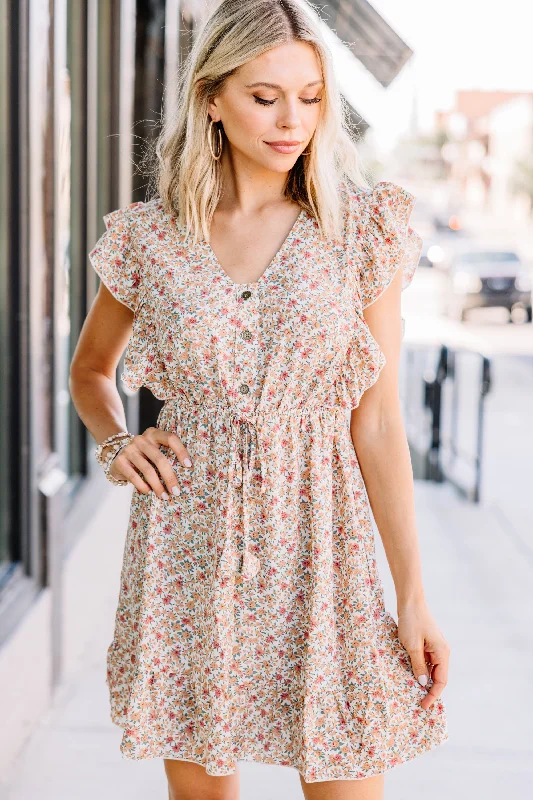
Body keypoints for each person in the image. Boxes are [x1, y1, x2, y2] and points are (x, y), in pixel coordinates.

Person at [70, 0, 450, 797]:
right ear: (211, 95)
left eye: (310, 97)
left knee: (345, 775)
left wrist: (411, 596)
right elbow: (91, 371)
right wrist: (116, 441)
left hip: (324, 544)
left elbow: (377, 422)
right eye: (264, 95)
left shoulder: (359, 227)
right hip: (188, 543)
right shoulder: (151, 238)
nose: (292, 120)